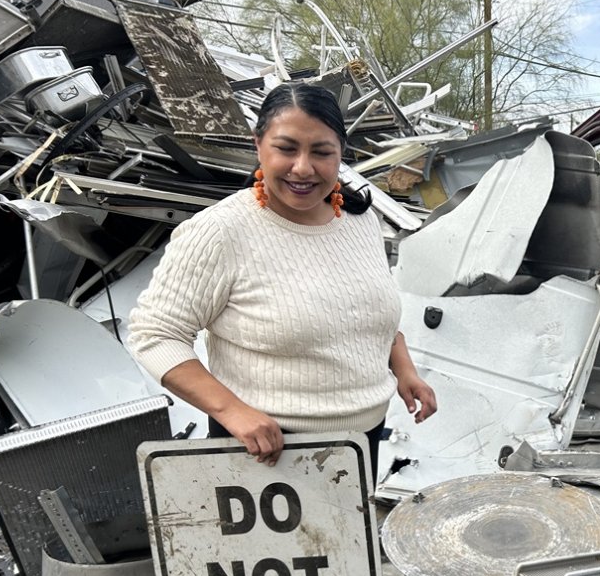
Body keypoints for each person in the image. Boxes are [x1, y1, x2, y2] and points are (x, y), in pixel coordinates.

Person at [128, 82, 436, 471]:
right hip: (264, 453)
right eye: (286, 148)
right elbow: (155, 336)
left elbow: (364, 313)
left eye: (322, 152)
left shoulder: (360, 222)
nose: (303, 168)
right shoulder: (221, 231)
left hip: (360, 444)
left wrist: (404, 370)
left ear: (342, 153)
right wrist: (233, 411)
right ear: (259, 145)